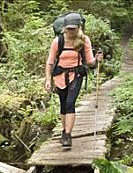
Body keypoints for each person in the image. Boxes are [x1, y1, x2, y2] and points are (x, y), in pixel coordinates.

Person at [44, 13, 104, 147]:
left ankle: (68, 136)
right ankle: (64, 131)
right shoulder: (58, 41)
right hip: (59, 76)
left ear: (79, 28)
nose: (71, 31)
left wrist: (97, 60)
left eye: (73, 29)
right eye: (68, 28)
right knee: (63, 104)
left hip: (76, 75)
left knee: (70, 103)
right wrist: (48, 80)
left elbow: (89, 62)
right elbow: (49, 62)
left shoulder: (84, 40)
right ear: (64, 28)